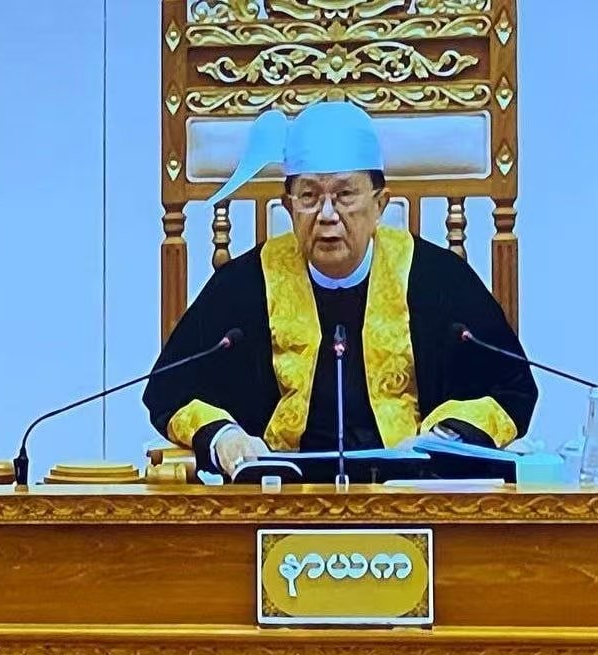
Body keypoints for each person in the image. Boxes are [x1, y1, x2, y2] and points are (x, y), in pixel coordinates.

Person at [143, 101, 537, 476]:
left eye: (345, 195)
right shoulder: (244, 284)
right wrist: (225, 438)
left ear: (380, 204)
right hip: (278, 493)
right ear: (289, 206)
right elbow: (168, 389)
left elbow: (511, 388)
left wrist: (445, 439)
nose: (327, 214)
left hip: (409, 490)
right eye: (310, 196)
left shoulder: (438, 280)